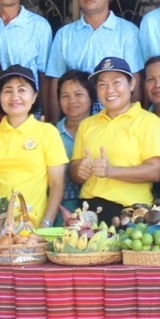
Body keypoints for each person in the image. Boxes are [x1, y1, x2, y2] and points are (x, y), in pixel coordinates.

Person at [0, 65, 68, 224]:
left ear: (34, 97)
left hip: (33, 226)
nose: (15, 96)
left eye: (22, 90)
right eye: (8, 91)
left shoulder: (48, 132)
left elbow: (57, 184)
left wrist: (46, 223)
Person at [70, 57, 160, 223]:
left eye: (116, 82)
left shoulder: (148, 121)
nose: (110, 90)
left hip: (131, 212)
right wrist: (80, 170)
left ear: (132, 84)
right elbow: (73, 171)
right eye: (102, 85)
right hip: (88, 212)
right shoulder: (87, 124)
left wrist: (111, 172)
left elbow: (155, 171)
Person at [43, 0, 143, 119]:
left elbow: (134, 79)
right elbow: (56, 81)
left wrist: (134, 122)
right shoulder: (65, 34)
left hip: (117, 119)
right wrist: (55, 125)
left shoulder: (128, 32)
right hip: (76, 119)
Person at [53, 70, 93, 216]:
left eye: (79, 94)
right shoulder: (52, 134)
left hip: (96, 204)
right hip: (61, 208)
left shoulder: (104, 130)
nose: (72, 101)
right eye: (65, 96)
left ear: (91, 96)